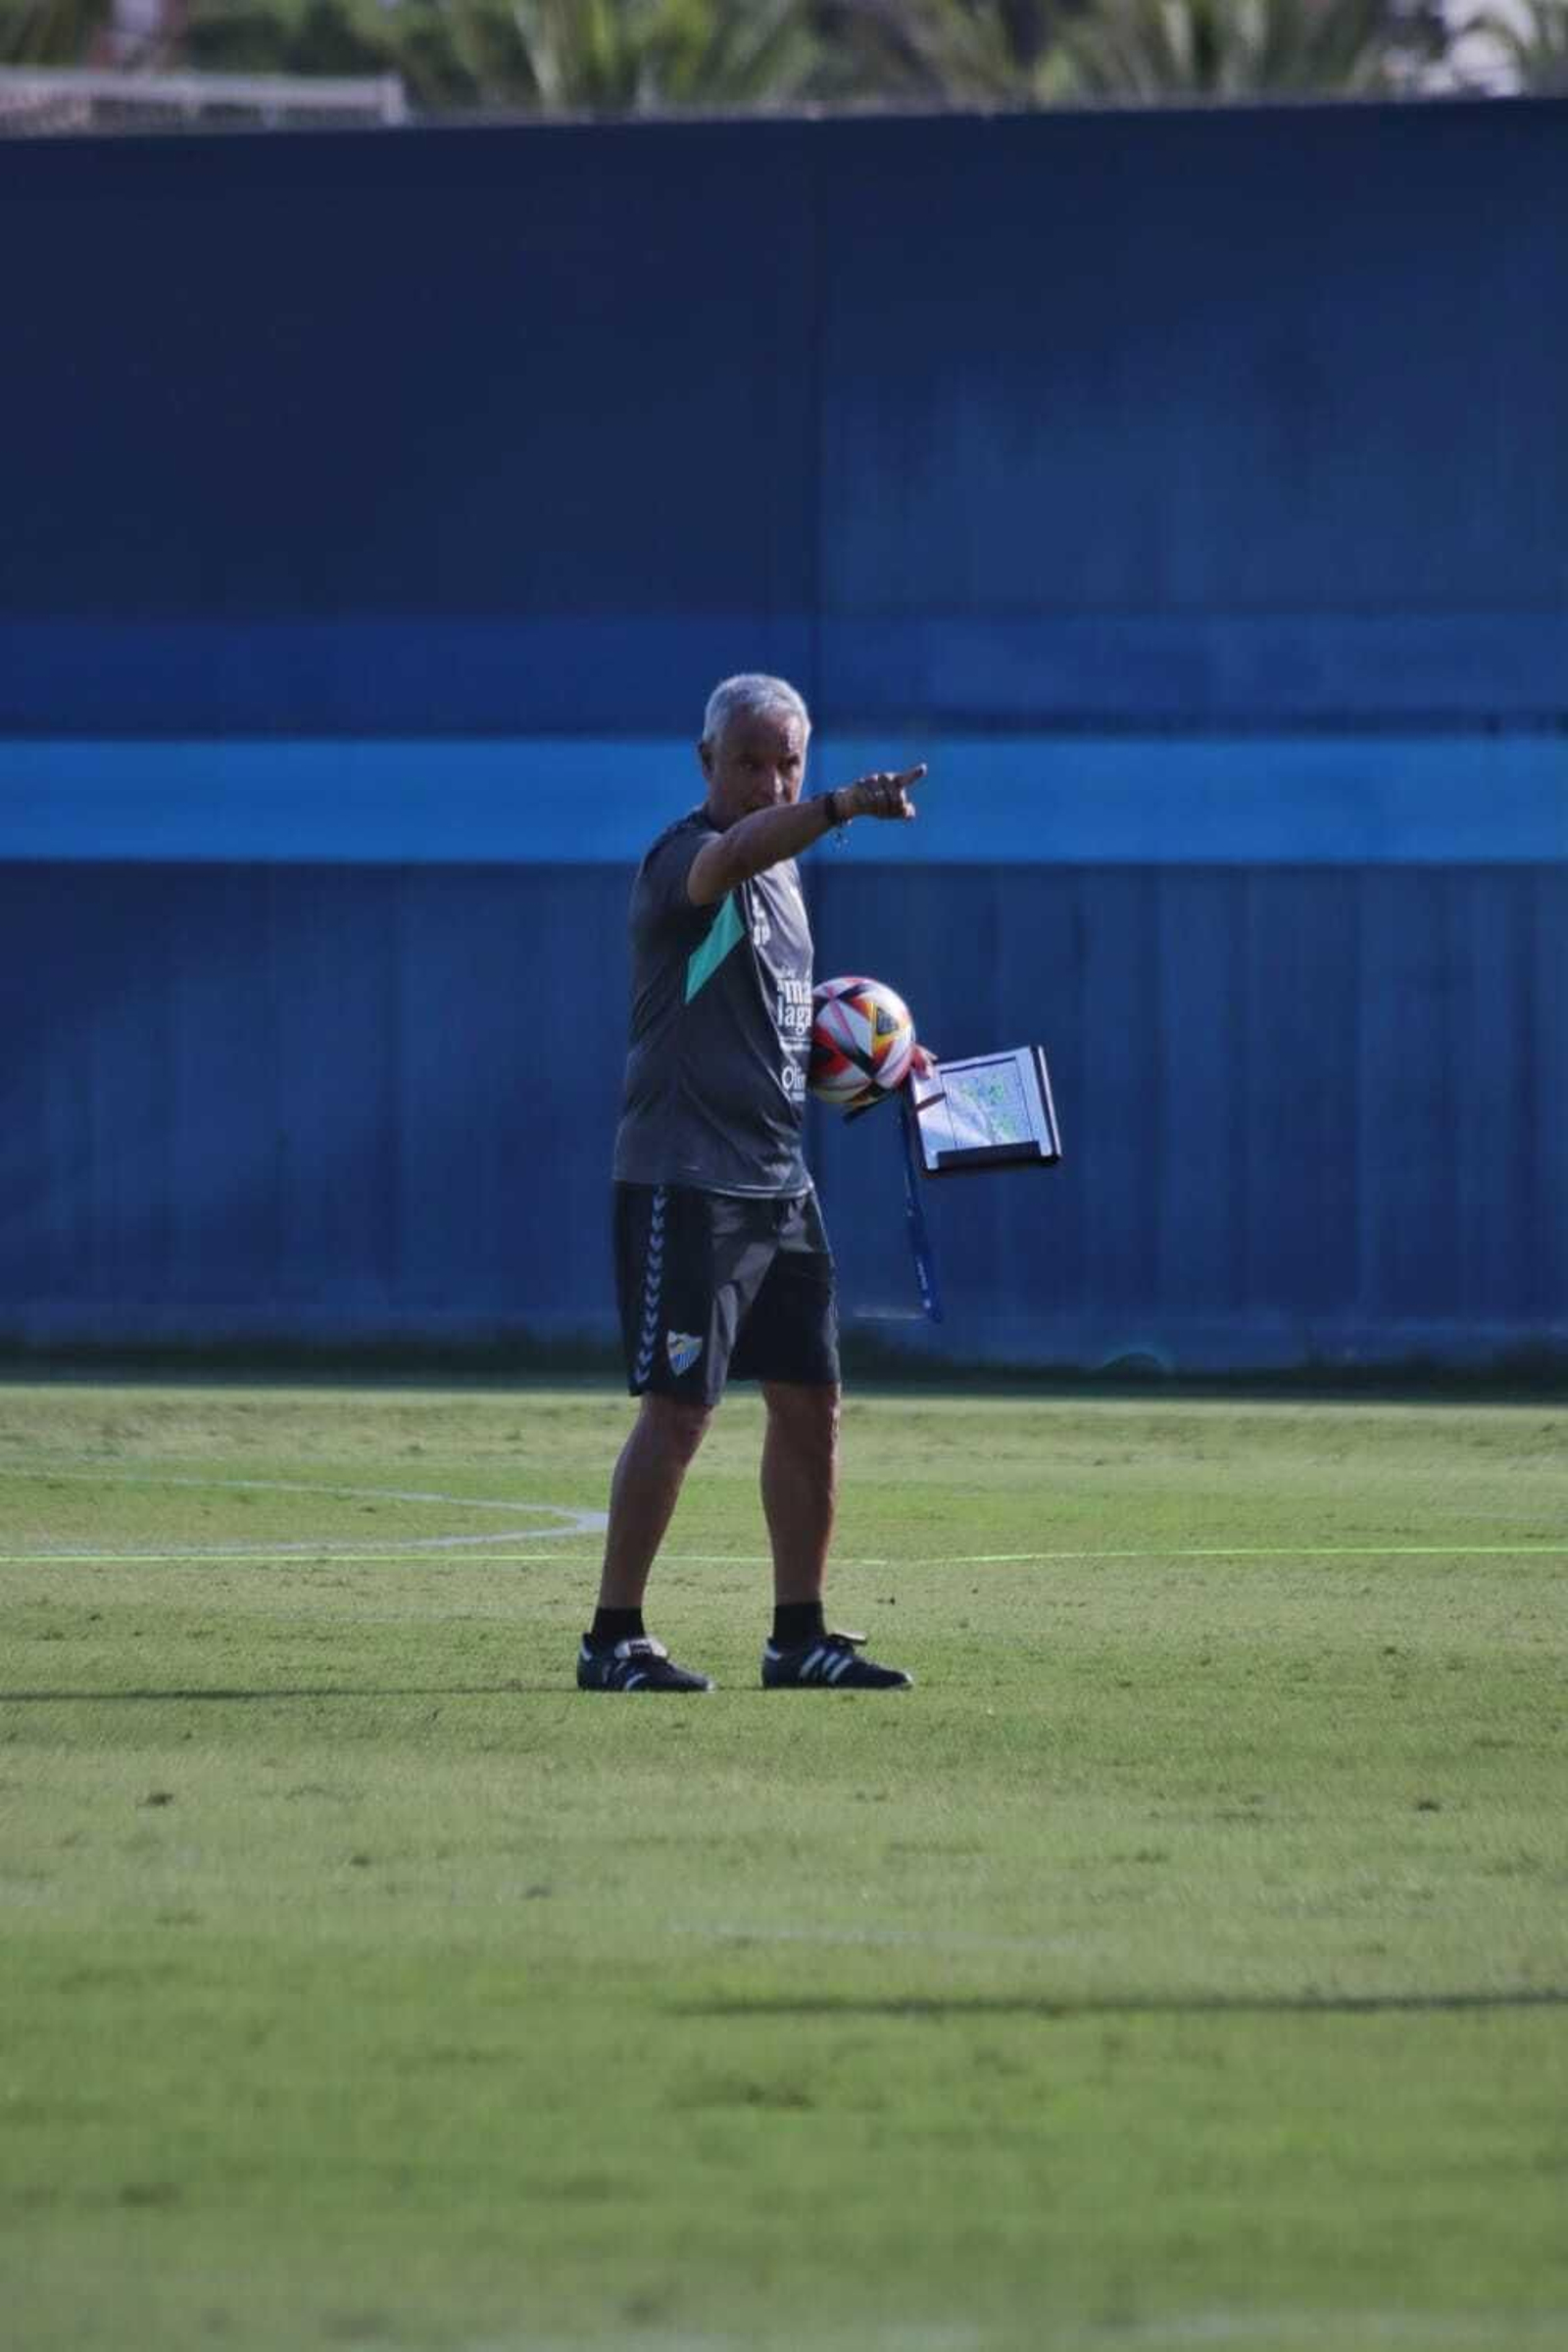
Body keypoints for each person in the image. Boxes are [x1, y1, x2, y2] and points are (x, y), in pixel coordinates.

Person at [578, 672, 928, 1693]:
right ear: (706, 764)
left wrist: (890, 1056)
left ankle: (797, 1636)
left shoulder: (783, 880)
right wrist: (838, 808)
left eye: (789, 763)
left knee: (812, 1402)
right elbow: (731, 856)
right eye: (750, 762)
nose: (772, 782)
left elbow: (784, 1008)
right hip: (687, 1181)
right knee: (680, 1410)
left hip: (778, 1181)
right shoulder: (684, 858)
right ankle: (612, 1638)